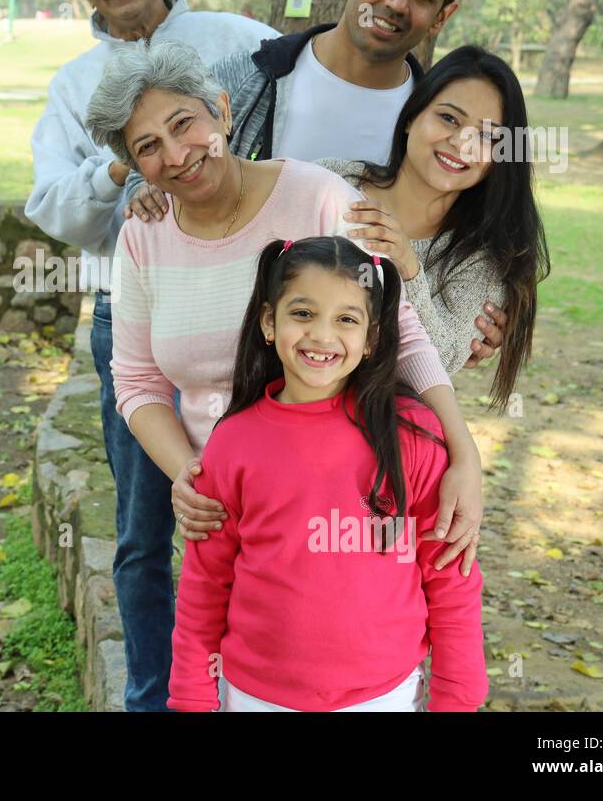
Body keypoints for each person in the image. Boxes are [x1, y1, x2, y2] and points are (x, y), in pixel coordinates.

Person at [87, 41, 485, 696]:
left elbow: (397, 325)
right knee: (217, 636)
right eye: (147, 147)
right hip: (229, 491)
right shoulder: (143, 235)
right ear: (132, 166)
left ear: (221, 109)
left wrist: (461, 451)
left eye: (184, 125)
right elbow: (135, 381)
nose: (176, 154)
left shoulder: (319, 198)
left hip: (335, 477)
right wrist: (190, 474)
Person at [23, 0, 280, 712]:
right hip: (133, 315)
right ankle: (153, 696)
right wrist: (118, 175)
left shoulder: (237, 40)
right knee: (144, 530)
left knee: (251, 508)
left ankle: (251, 684)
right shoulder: (74, 86)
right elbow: (51, 208)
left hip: (248, 312)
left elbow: (292, 135)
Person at [166, 236, 487, 712]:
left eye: (346, 320)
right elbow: (204, 585)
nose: (321, 335)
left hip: (386, 697)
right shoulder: (233, 442)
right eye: (302, 314)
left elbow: (450, 575)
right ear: (269, 323)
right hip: (254, 697)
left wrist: (457, 698)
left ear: (372, 338)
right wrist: (191, 696)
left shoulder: (413, 437)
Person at [322, 45, 551, 402]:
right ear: (413, 116)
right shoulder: (334, 182)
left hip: (380, 433)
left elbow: (439, 361)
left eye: (487, 136)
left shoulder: (481, 260)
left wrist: (407, 267)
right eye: (448, 118)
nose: (462, 142)